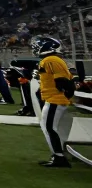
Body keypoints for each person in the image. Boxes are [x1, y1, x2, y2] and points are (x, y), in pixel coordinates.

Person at [30, 36, 79, 168]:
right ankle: (58, 155)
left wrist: (65, 95)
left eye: (38, 45)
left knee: (49, 128)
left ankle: (59, 157)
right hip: (54, 98)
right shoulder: (51, 59)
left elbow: (63, 81)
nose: (36, 47)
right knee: (49, 128)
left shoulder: (51, 59)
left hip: (55, 99)